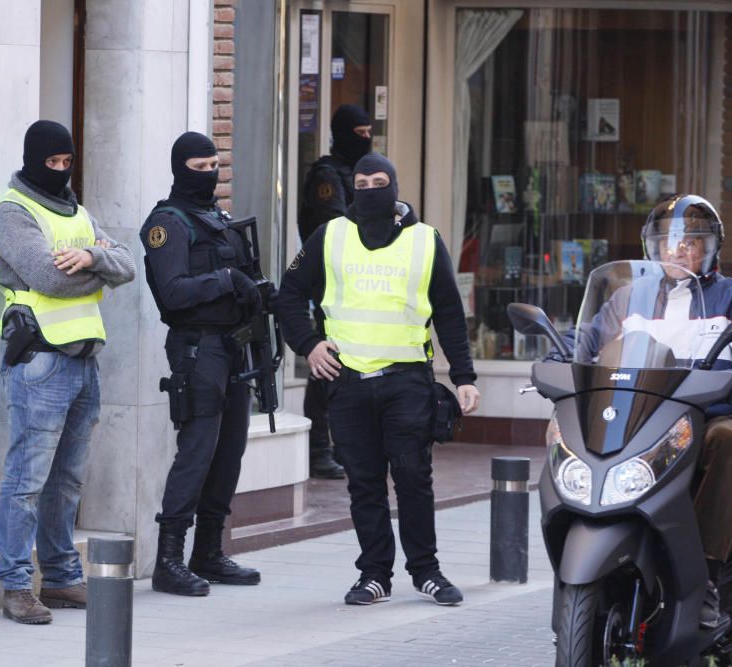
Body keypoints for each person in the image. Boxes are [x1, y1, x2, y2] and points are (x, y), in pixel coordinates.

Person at [278, 153, 481, 606]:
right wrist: (309, 345)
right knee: (364, 483)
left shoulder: (425, 240)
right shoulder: (329, 235)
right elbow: (288, 294)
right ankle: (374, 575)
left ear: (394, 186)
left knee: (413, 476)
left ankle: (426, 572)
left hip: (406, 378)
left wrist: (464, 376)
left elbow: (448, 311)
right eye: (362, 181)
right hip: (347, 382)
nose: (370, 189)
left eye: (379, 181)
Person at [558, 194, 732, 628]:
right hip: (639, 416)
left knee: (727, 439)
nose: (679, 251)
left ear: (710, 249)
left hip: (710, 412)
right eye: (668, 242)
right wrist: (559, 359)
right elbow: (588, 344)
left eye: (692, 241)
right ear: (652, 249)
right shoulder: (628, 299)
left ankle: (707, 574)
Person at [0, 120, 136, 624]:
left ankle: (63, 577)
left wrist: (90, 255)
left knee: (67, 481)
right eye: (52, 162)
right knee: (27, 480)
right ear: (32, 160)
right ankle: (16, 586)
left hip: (83, 361)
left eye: (67, 162)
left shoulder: (76, 211)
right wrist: (100, 274)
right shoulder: (11, 214)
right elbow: (48, 277)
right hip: (40, 362)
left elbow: (128, 262)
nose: (61, 169)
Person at [140, 131, 272, 597]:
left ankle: (208, 552)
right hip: (198, 349)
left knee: (230, 450)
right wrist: (226, 280)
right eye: (199, 167)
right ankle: (169, 561)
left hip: (233, 345)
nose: (209, 174)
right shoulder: (168, 224)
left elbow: (242, 279)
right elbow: (172, 293)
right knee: (196, 451)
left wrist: (256, 290)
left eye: (214, 165)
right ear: (180, 169)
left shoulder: (216, 217)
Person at [297, 104, 373, 479]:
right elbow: (336, 227)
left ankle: (345, 446)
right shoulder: (327, 175)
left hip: (362, 284)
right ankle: (318, 450)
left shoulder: (363, 171)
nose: (367, 139)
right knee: (327, 366)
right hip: (331, 284)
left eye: (369, 132)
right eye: (359, 133)